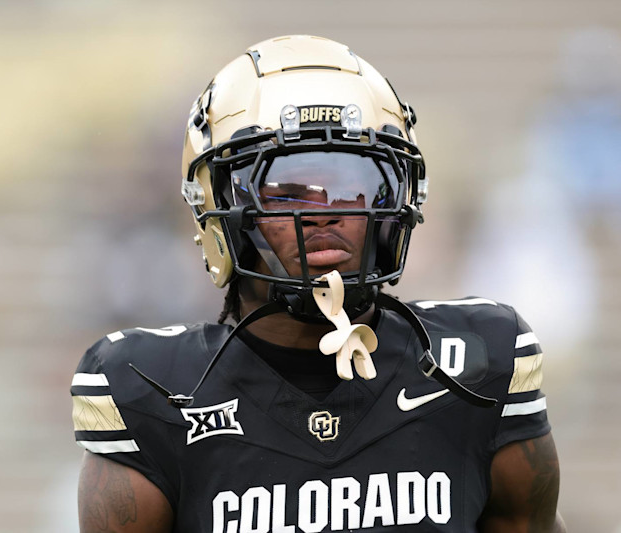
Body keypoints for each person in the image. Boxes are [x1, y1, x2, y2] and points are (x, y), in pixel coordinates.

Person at [71, 35, 565, 532]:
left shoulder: (477, 364)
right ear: (216, 208)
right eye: (286, 192)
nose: (324, 214)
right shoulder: (154, 391)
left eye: (355, 185)